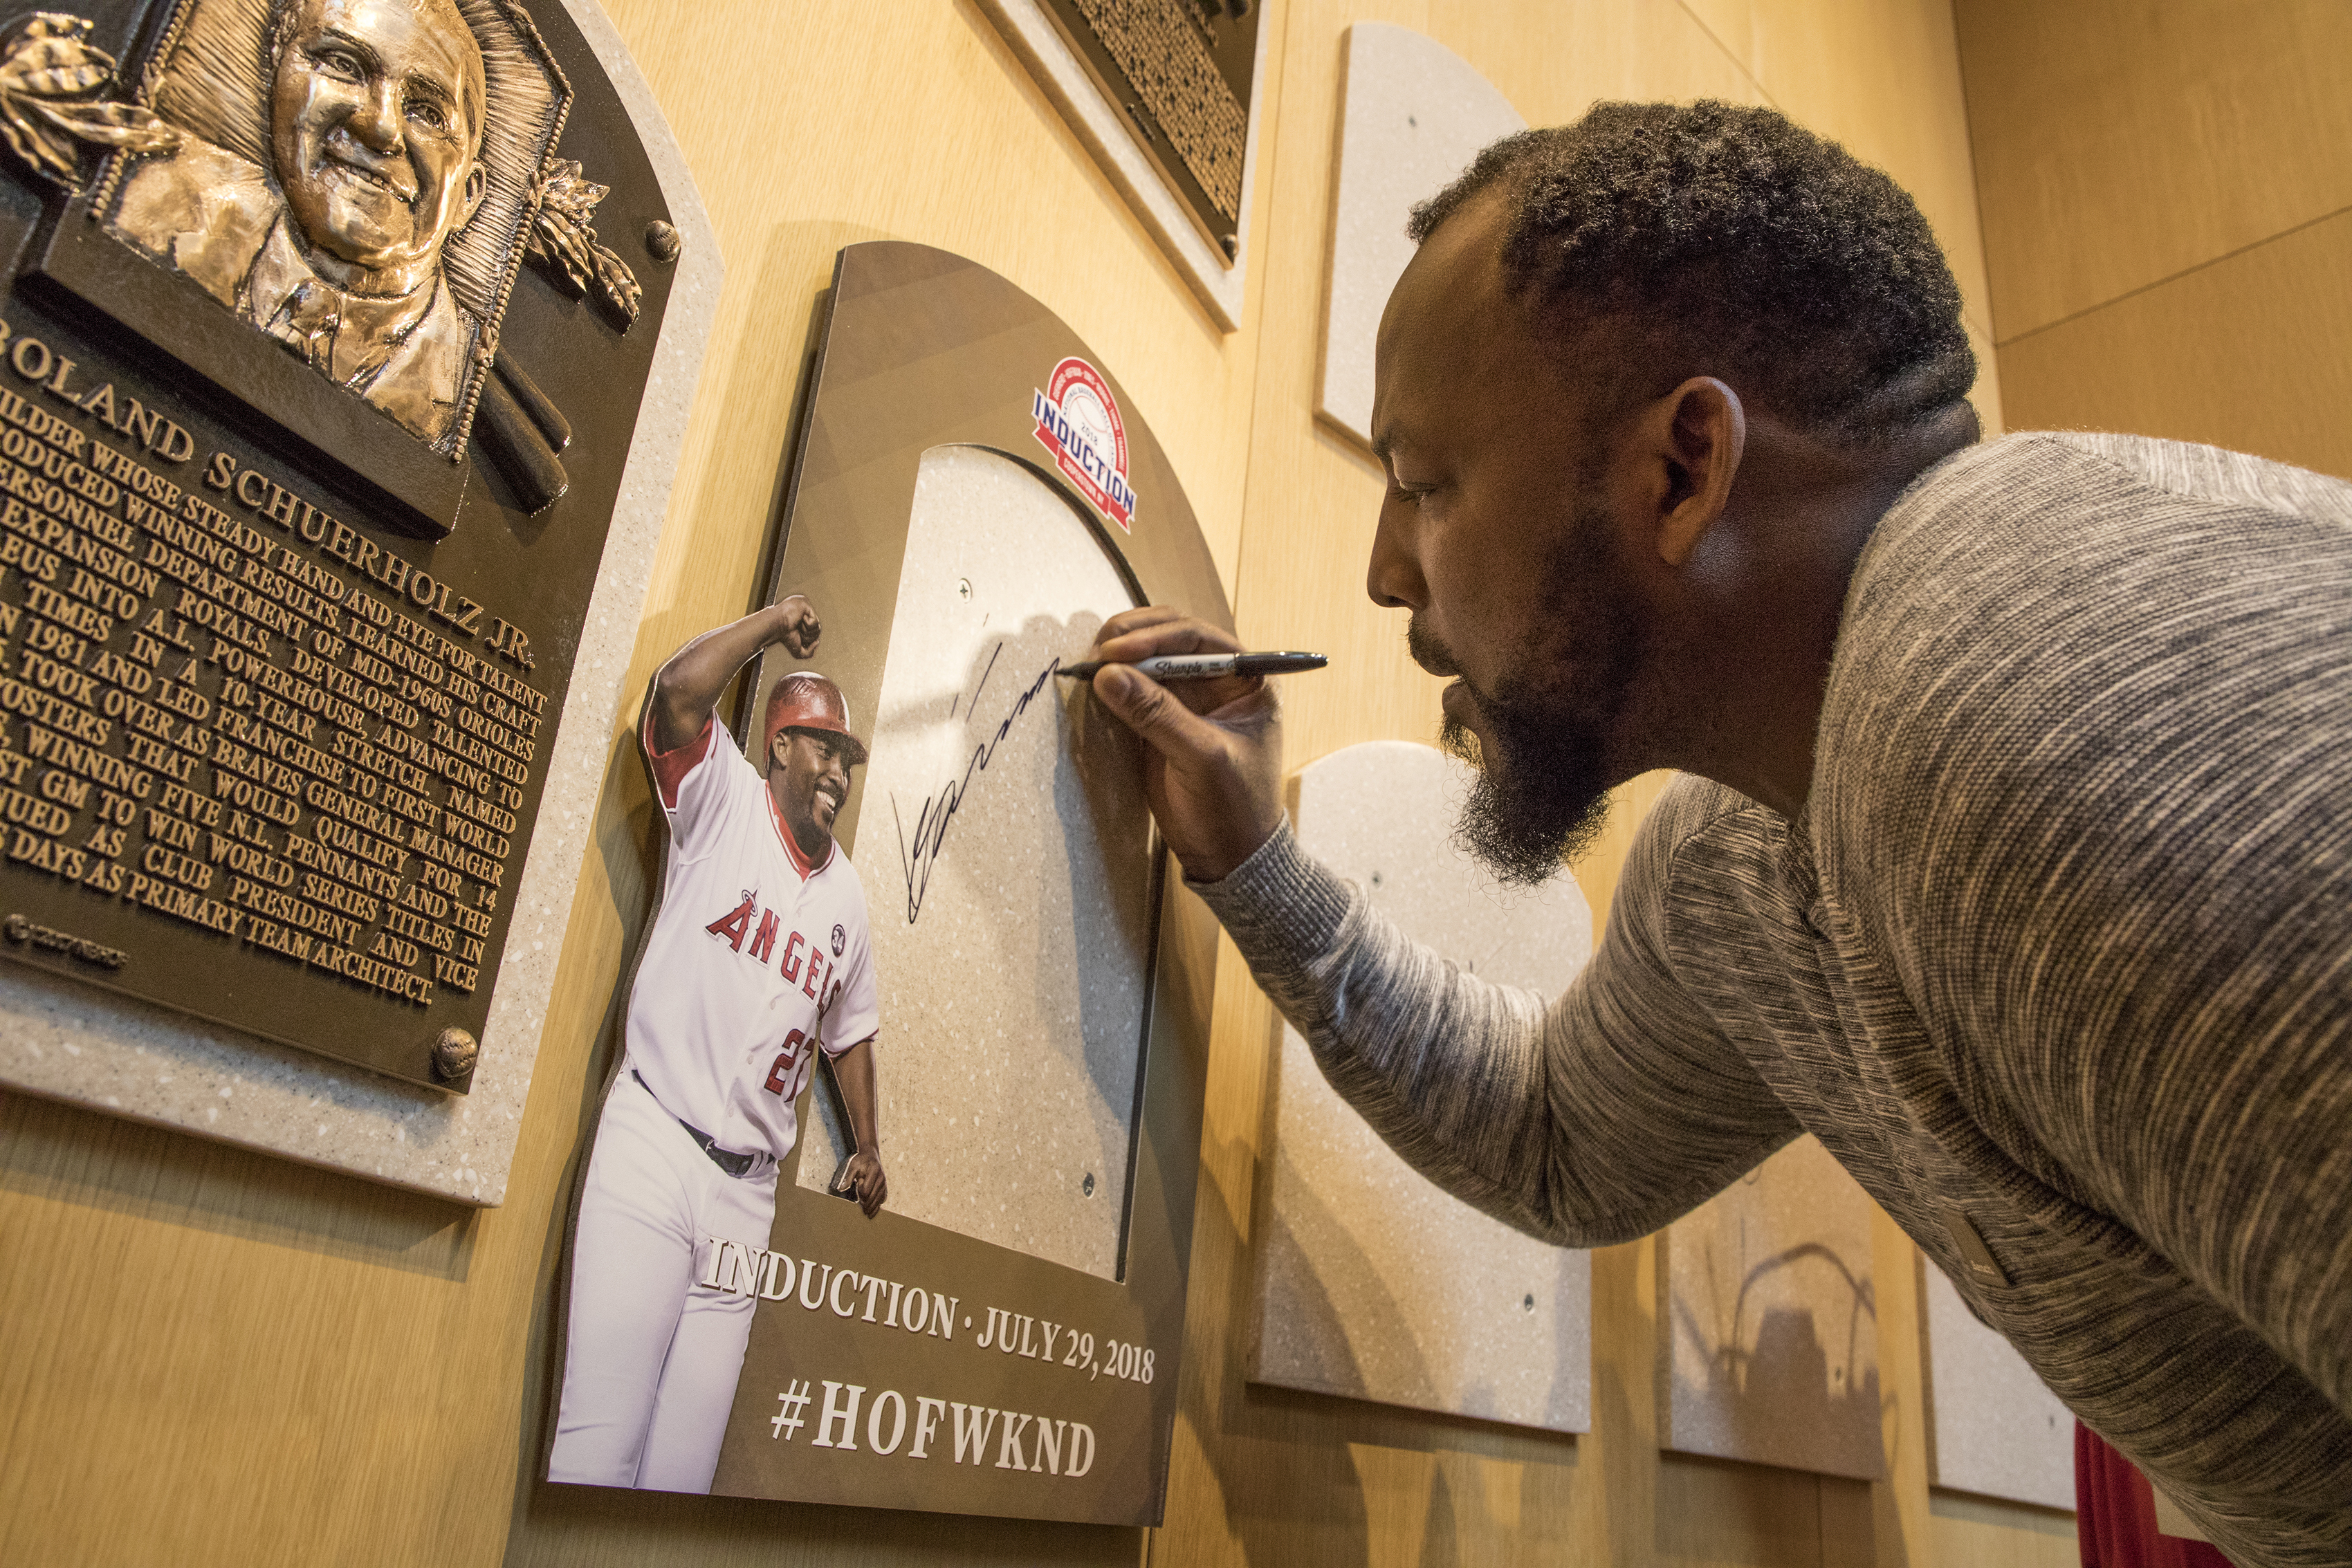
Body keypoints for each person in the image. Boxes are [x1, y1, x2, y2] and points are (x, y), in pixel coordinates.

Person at [1083, 102, 2351, 1565]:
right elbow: (1555, 1132)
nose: (1382, 571)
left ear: (1682, 470)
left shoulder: (2031, 679)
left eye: (1424, 484)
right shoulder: (1747, 847)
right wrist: (1257, 868)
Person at [550, 596, 887, 1494]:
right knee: (598, 1449)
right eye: (825, 747)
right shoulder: (724, 795)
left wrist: (870, 1143)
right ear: (779, 744)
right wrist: (773, 623)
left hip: (748, 1192)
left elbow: (848, 1031)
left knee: (680, 1477)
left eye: (848, 759)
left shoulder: (847, 895)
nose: (839, 774)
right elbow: (673, 695)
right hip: (656, 1142)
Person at [112, 0, 490, 445]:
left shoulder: (461, 385)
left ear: (469, 194)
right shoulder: (151, 199)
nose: (381, 127)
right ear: (276, 75)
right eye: (344, 65)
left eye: (428, 113)